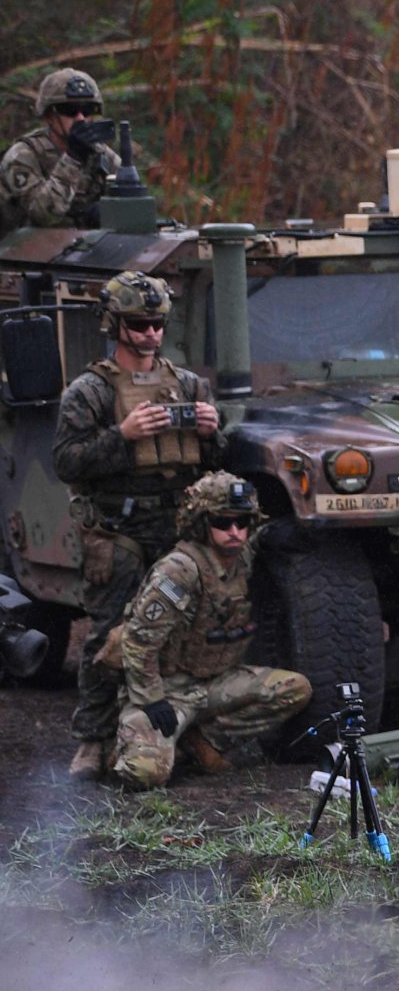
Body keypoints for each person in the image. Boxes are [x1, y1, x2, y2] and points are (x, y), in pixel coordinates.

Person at [54, 271, 226, 780]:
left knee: (184, 633)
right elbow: (67, 461)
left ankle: (181, 727)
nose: (150, 334)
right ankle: (93, 737)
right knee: (109, 636)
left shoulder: (190, 384)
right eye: (138, 324)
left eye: (156, 324)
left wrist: (213, 432)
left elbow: (214, 462)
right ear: (115, 324)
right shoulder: (89, 392)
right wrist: (122, 436)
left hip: (178, 530)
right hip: (118, 530)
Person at [109, 473, 311, 789]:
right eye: (223, 522)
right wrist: (152, 699)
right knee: (144, 774)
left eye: (243, 522)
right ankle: (132, 740)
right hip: (170, 689)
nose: (235, 532)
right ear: (203, 523)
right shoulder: (180, 571)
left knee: (293, 688)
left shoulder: (241, 557)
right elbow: (138, 640)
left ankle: (201, 740)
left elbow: (262, 540)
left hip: (217, 683)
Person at [0, 68, 119, 229]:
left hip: (83, 250)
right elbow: (44, 215)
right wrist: (73, 159)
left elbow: (132, 211)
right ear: (49, 115)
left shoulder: (103, 156)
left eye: (87, 110)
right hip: (26, 250)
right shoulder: (23, 156)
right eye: (70, 111)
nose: (80, 118)